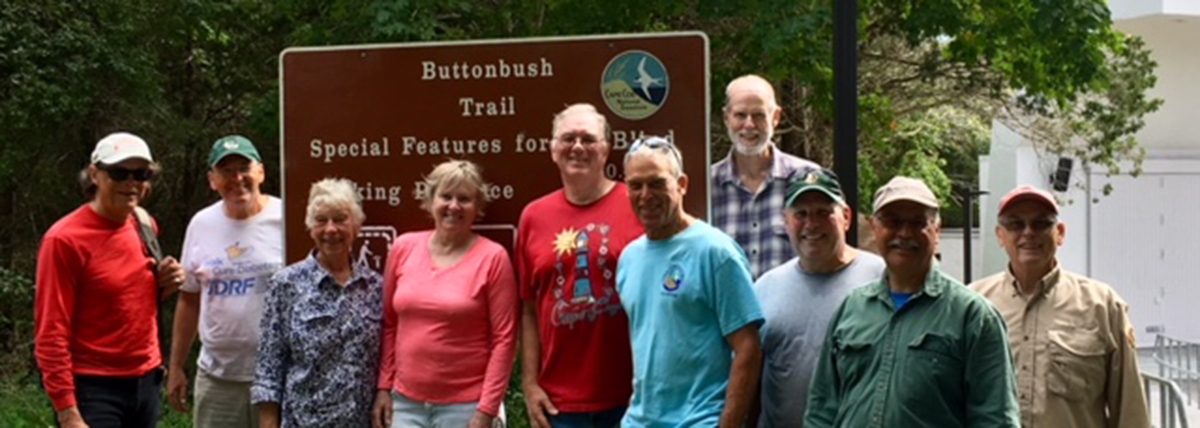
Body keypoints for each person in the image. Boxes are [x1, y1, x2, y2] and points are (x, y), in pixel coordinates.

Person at [805, 176, 1020, 428]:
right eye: (893, 221)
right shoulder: (851, 309)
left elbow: (995, 419)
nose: (904, 233)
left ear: (936, 231)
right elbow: (822, 409)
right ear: (874, 228)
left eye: (918, 222)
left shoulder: (973, 316)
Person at [35, 132, 185, 428]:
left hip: (146, 381)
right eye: (119, 173)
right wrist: (68, 412)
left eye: (141, 174)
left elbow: (126, 300)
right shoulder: (64, 240)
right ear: (95, 175)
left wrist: (167, 281)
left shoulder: (143, 223)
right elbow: (51, 331)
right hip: (94, 389)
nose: (131, 183)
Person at [969, 186, 1150, 428]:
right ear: (1000, 235)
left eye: (1041, 223)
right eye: (1015, 224)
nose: (1028, 233)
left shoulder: (1102, 306)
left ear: (1060, 233)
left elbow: (1131, 410)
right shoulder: (972, 304)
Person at [618, 136, 764, 427]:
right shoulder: (629, 258)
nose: (646, 195)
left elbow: (748, 347)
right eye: (636, 185)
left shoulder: (716, 253)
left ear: (681, 184)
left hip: (699, 420)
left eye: (657, 183)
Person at [516, 104, 642, 428]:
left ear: (606, 149)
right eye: (568, 138)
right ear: (553, 150)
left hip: (631, 397)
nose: (577, 147)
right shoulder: (533, 216)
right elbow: (529, 308)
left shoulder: (636, 205)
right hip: (559, 405)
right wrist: (530, 385)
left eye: (588, 139)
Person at [372, 160, 518, 428]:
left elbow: (504, 340)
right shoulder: (403, 247)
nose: (453, 206)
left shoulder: (493, 258)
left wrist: (486, 410)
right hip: (405, 404)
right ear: (430, 201)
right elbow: (391, 324)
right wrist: (384, 387)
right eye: (446, 196)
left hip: (465, 406)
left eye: (464, 199)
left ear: (477, 207)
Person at [751, 169, 884, 427]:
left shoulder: (881, 278)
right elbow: (750, 377)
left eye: (824, 212)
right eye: (801, 214)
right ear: (786, 222)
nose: (812, 224)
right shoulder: (765, 288)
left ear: (846, 218)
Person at [167, 135, 283, 427]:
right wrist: (176, 366)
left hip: (277, 376)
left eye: (244, 168)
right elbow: (190, 298)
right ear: (212, 180)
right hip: (218, 379)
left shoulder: (287, 218)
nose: (237, 179)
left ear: (261, 172)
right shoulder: (201, 224)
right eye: (226, 171)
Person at [250, 178, 382, 428]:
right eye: (321, 220)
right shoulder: (286, 284)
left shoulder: (374, 286)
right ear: (311, 228)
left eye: (340, 219)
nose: (331, 229)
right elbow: (269, 367)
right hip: (304, 422)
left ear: (356, 226)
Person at [711, 74, 820, 278]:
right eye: (740, 115)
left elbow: (829, 253)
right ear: (726, 118)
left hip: (791, 308)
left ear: (776, 117)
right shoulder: (707, 187)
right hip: (727, 310)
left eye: (759, 115)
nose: (749, 125)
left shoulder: (807, 179)